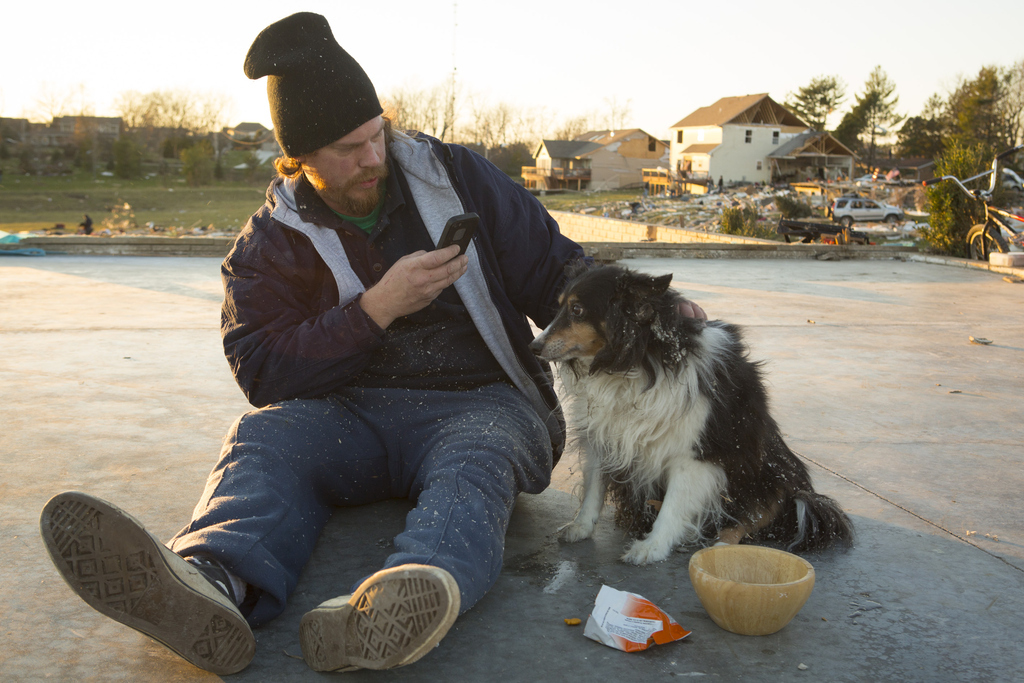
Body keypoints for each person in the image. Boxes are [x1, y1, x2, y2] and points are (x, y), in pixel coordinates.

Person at [40, 11, 705, 677]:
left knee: (479, 460)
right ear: (300, 157)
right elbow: (264, 369)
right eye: (347, 149)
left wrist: (647, 310)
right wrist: (374, 309)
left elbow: (555, 270)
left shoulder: (458, 177)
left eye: (375, 134)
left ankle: (402, 598)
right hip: (346, 414)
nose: (372, 158)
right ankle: (212, 585)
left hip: (482, 404)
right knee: (263, 440)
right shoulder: (269, 243)